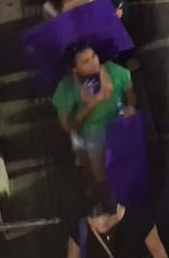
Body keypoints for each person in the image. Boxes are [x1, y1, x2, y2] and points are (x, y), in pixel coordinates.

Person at [53, 42, 136, 183]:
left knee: (124, 166)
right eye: (86, 61)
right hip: (90, 134)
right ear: (75, 68)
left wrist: (131, 107)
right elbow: (67, 126)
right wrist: (90, 106)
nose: (94, 63)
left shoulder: (113, 71)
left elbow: (130, 93)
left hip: (118, 124)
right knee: (98, 175)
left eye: (94, 56)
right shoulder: (67, 88)